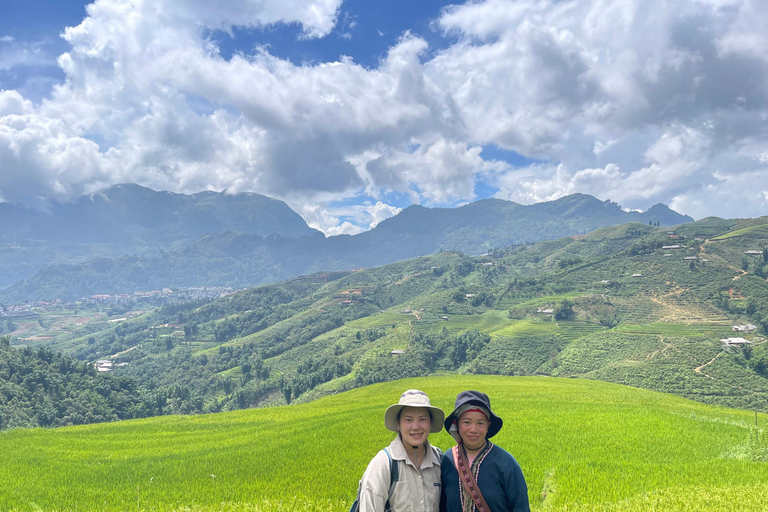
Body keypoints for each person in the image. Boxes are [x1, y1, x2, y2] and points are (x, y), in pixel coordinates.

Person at [439, 390, 529, 512]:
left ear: (488, 426)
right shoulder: (448, 460)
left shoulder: (506, 463)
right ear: (457, 424)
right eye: (466, 422)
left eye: (480, 423)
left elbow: (520, 506)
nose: (473, 429)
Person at [357, 389, 445, 512]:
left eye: (422, 419)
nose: (416, 427)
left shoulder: (439, 460)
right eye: (408, 420)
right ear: (398, 423)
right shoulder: (383, 465)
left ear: (430, 423)